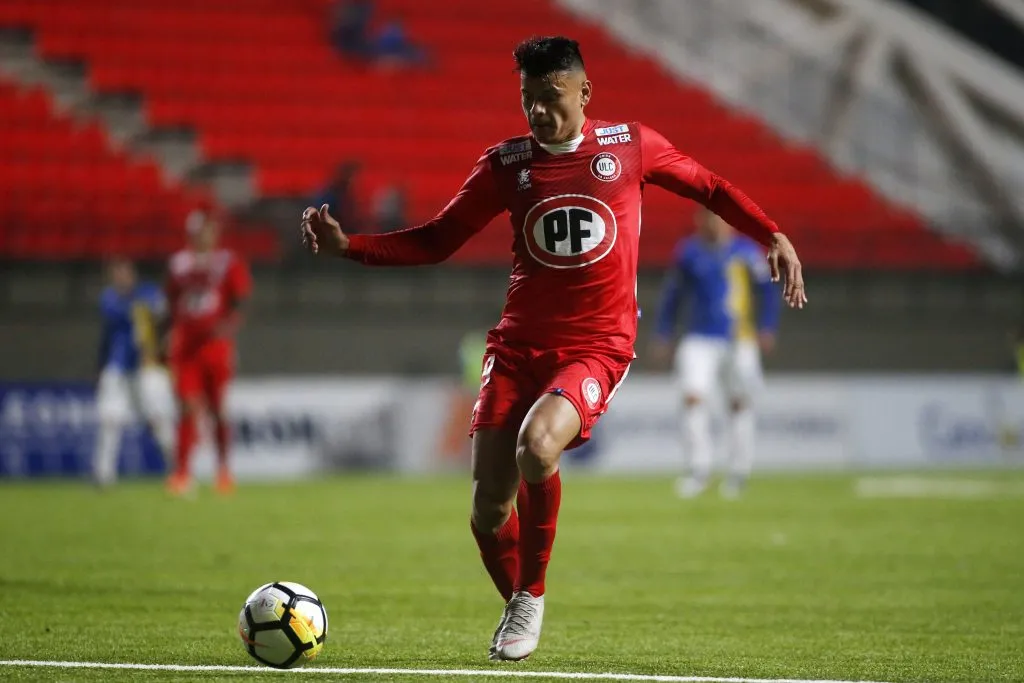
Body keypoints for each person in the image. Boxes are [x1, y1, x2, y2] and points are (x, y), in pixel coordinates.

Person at [300, 36, 807, 662]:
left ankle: (530, 597)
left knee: (538, 446)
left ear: (584, 92)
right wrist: (350, 246)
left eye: (550, 97)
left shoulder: (630, 147)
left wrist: (771, 234)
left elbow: (710, 186)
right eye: (528, 99)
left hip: (597, 346)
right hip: (517, 348)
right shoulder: (505, 165)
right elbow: (437, 241)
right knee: (488, 508)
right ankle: (519, 598)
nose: (538, 111)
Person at [651, 209, 781, 499]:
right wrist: (664, 332)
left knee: (739, 404)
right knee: (692, 398)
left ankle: (738, 472)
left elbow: (768, 292)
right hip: (698, 337)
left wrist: (767, 326)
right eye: (707, 218)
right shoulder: (688, 252)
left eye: (718, 218)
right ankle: (699, 469)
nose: (713, 223)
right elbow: (672, 295)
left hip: (740, 338)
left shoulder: (747, 253)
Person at [164, 210, 252, 496]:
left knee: (218, 410)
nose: (206, 235)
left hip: (215, 347)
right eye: (201, 230)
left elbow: (239, 300)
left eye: (210, 230)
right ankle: (182, 473)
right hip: (187, 347)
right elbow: (171, 302)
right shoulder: (179, 264)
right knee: (187, 407)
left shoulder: (227, 262)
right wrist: (169, 335)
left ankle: (224, 469)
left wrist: (229, 326)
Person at [93, 258, 175, 486]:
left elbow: (165, 315)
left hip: (146, 367)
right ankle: (104, 475)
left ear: (133, 274)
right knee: (109, 420)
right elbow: (119, 319)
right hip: (117, 367)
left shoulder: (148, 293)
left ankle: (178, 468)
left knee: (158, 420)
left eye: (124, 272)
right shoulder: (109, 299)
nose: (121, 277)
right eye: (116, 273)